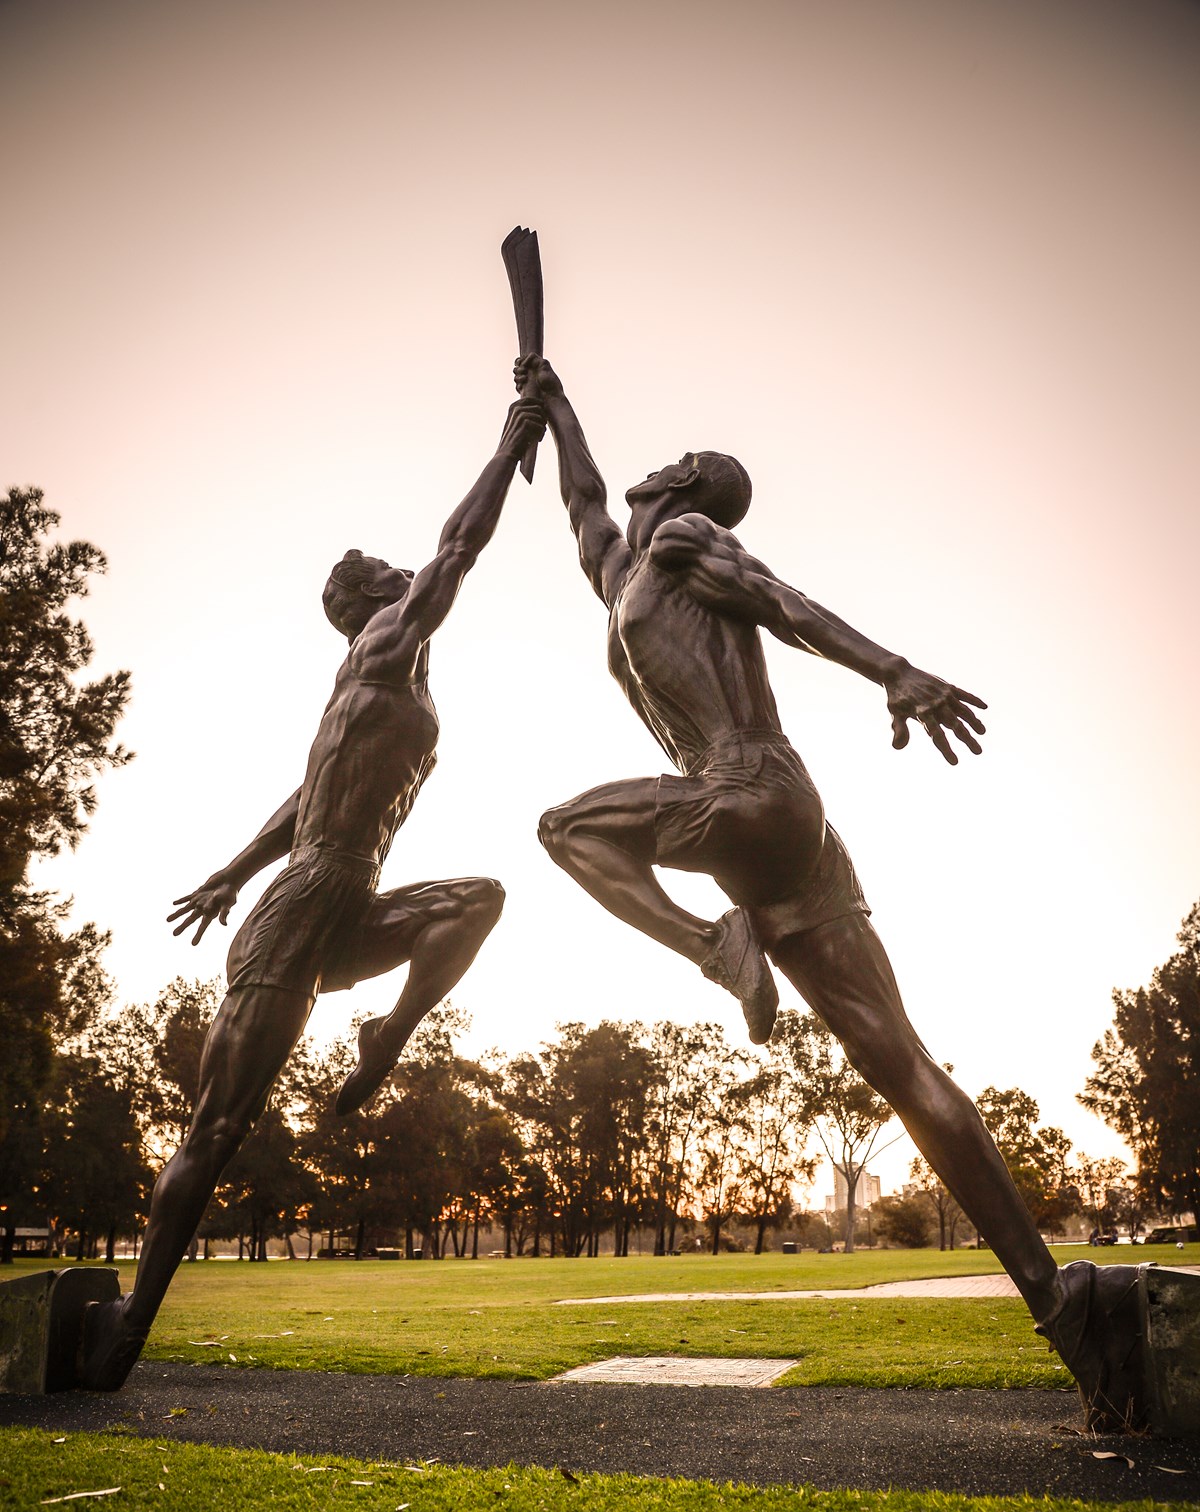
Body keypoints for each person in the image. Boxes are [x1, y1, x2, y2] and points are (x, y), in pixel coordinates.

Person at [518, 351, 1143, 1429]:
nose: (654, 465)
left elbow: (779, 600)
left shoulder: (684, 537)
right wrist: (553, 400)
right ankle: (1070, 1315)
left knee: (565, 829)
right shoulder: (626, 576)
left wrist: (892, 670)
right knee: (900, 1063)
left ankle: (715, 948)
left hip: (749, 792)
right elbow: (582, 502)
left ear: (688, 483)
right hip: (783, 837)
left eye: (680, 457)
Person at [78, 396, 545, 1389]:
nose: (410, 573)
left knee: (476, 899)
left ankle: (387, 1033)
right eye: (393, 571)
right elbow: (459, 546)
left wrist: (228, 869)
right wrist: (511, 443)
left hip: (347, 900)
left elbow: (306, 795)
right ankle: (128, 1326)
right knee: (218, 1127)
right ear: (370, 597)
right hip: (302, 912)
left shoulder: (385, 685)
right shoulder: (386, 643)